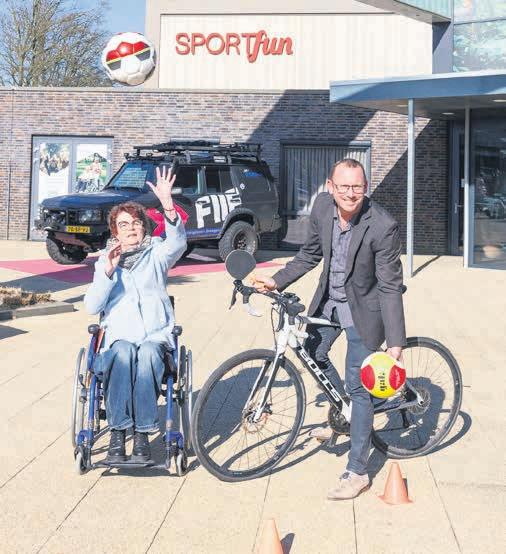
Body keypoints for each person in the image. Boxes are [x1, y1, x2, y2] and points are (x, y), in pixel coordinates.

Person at [252, 159, 406, 500]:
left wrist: (396, 341)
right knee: (311, 351)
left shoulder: (383, 226)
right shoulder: (323, 208)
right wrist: (276, 280)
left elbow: (390, 285)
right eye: (344, 186)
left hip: (365, 310)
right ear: (330, 187)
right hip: (330, 301)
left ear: (366, 187)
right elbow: (309, 254)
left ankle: (358, 472)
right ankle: (345, 408)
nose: (350, 193)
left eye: (357, 187)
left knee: (359, 386)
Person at [84, 166, 186, 463]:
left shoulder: (157, 253)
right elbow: (92, 306)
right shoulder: (106, 260)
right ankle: (118, 433)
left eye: (136, 223)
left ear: (144, 228)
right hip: (119, 339)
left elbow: (177, 243)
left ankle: (142, 435)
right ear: (115, 231)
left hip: (155, 336)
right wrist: (107, 272)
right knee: (124, 352)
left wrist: (167, 204)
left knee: (148, 354)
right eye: (123, 224)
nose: (131, 228)